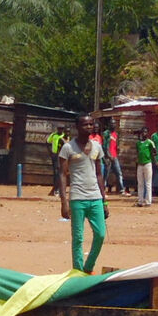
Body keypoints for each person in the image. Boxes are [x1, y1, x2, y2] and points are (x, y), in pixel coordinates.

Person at [59, 114, 106, 273]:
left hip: (95, 197)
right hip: (77, 198)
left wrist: (104, 201)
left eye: (91, 124)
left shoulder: (97, 147)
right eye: (85, 125)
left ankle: (88, 267)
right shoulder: (68, 148)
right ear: (77, 127)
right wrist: (64, 202)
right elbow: (62, 175)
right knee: (78, 238)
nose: (89, 127)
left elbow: (99, 174)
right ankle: (78, 272)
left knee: (100, 234)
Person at [135, 126, 157, 207]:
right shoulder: (138, 143)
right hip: (140, 165)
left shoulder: (150, 142)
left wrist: (153, 160)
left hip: (147, 164)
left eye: (145, 132)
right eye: (143, 132)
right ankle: (140, 201)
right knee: (140, 183)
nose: (144, 133)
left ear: (147, 133)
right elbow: (137, 153)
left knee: (148, 183)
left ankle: (148, 201)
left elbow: (155, 152)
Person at [47, 124, 67, 197]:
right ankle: (55, 189)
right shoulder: (53, 135)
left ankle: (57, 189)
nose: (60, 130)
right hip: (55, 155)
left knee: (59, 172)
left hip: (62, 155)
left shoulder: (64, 136)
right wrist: (50, 152)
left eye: (62, 129)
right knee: (56, 172)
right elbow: (48, 142)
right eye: (59, 128)